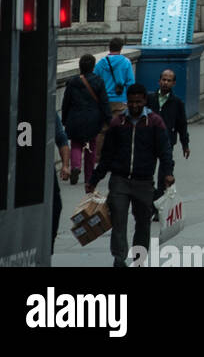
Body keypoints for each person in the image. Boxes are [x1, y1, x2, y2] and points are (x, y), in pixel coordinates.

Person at [91, 84, 175, 269]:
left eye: (138, 102)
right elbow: (107, 155)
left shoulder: (155, 122)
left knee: (143, 223)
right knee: (118, 220)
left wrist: (168, 173)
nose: (135, 105)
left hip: (144, 182)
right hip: (119, 180)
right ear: (126, 102)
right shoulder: (117, 123)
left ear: (145, 101)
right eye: (131, 102)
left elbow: (165, 151)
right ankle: (119, 260)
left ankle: (139, 259)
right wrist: (95, 179)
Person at [61, 53, 109, 187]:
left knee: (76, 143)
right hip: (93, 119)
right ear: (93, 67)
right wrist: (108, 119)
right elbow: (104, 102)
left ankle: (76, 166)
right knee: (91, 147)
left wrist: (64, 119)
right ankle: (89, 178)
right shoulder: (98, 81)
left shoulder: (72, 82)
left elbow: (66, 103)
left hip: (75, 117)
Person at [149, 69, 191, 160]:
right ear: (159, 81)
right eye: (164, 80)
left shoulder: (177, 103)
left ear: (173, 83)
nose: (165, 83)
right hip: (150, 139)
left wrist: (185, 145)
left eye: (169, 81)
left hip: (167, 140)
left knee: (166, 167)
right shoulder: (150, 99)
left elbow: (182, 125)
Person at [97, 37, 135, 118]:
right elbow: (130, 83)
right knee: (120, 127)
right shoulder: (126, 62)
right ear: (121, 48)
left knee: (105, 128)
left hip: (104, 100)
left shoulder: (101, 63)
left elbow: (95, 81)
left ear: (109, 47)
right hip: (121, 99)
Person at [51, 110, 71, 254]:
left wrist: (65, 165)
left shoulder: (47, 108)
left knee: (56, 206)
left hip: (44, 169)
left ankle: (49, 245)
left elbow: (61, 138)